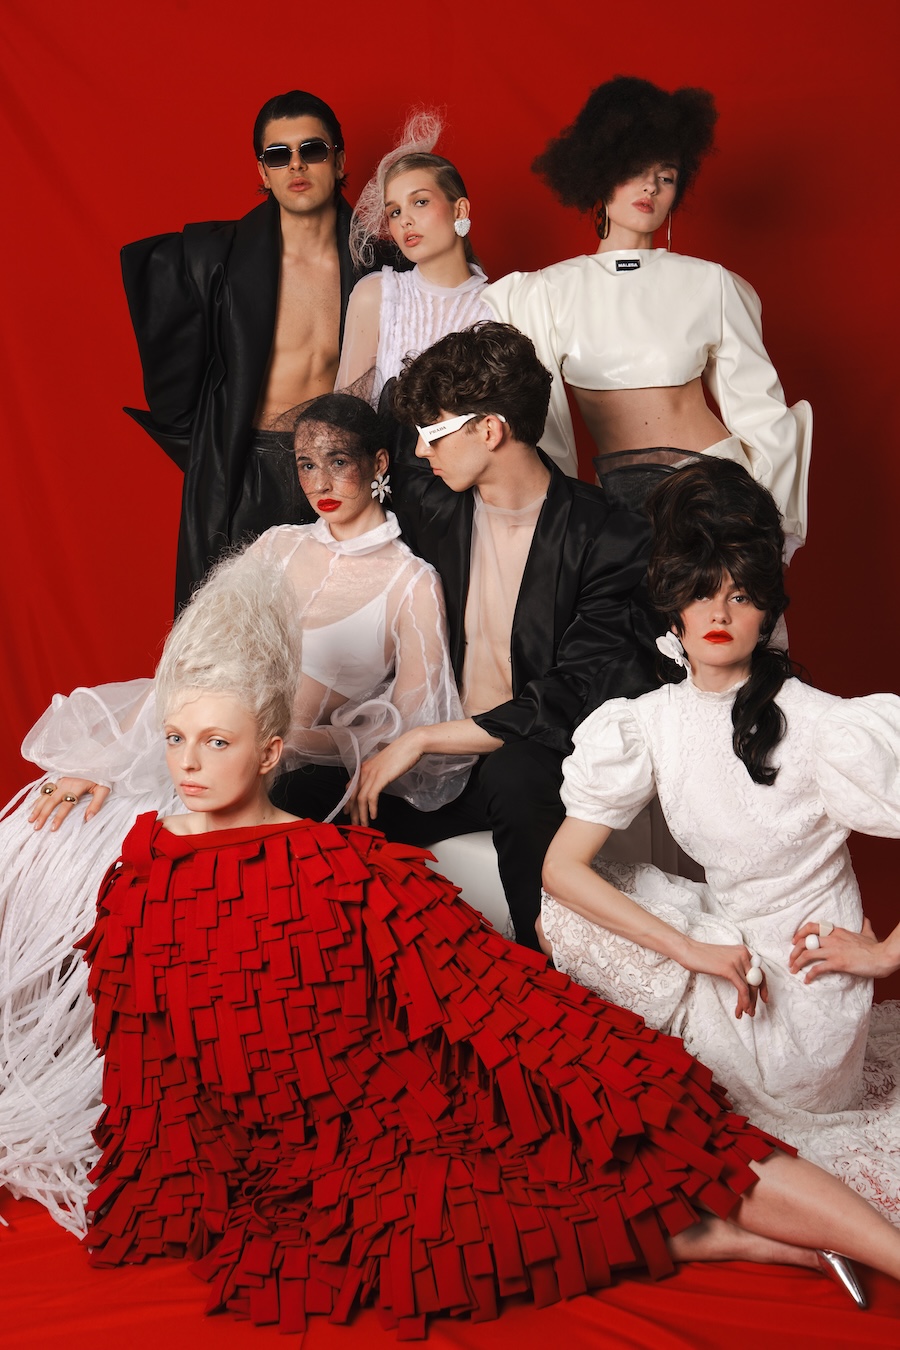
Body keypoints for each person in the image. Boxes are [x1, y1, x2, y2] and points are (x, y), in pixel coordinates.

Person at [77, 557, 900, 1333]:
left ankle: (851, 1244)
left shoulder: (344, 865)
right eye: (175, 739)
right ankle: (754, 1240)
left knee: (653, 1127)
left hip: (396, 1108)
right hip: (290, 1153)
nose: (189, 764)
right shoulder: (140, 873)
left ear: (267, 751)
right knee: (442, 1229)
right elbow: (148, 1063)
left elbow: (480, 987)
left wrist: (602, 1062)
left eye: (215, 742)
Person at [0, 393, 468, 1234]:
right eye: (306, 463)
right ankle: (29, 1047)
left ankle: (88, 1093)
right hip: (201, 751)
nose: (321, 481)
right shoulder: (276, 547)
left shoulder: (410, 581)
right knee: (55, 827)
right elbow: (190, 669)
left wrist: (307, 741)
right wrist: (109, 762)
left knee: (157, 854)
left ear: (379, 465)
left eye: (338, 461)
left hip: (288, 778)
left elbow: (415, 724)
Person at [540, 457, 900, 1222]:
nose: (720, 613)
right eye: (701, 590)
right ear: (671, 605)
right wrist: (690, 950)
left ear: (767, 610)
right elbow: (561, 869)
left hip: (804, 1001)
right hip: (728, 955)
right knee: (564, 908)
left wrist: (884, 954)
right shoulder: (650, 723)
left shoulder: (822, 725)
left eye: (741, 594)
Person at [347, 321, 660, 949]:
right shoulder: (432, 507)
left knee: (517, 778)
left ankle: (539, 976)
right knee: (309, 793)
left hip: (530, 752)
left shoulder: (610, 536)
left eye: (433, 433)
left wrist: (423, 739)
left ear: (489, 430)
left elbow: (573, 693)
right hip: (441, 762)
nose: (422, 451)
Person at [484, 76, 811, 555]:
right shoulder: (544, 294)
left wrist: (770, 527)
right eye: (636, 169)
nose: (651, 187)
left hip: (714, 497)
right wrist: (556, 528)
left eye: (667, 176)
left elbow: (761, 411)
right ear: (600, 172)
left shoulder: (712, 284)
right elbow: (543, 431)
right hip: (616, 511)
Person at [122, 90, 373, 610]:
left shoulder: (377, 262)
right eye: (278, 155)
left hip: (343, 469)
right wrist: (209, 448)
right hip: (249, 470)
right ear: (262, 171)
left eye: (312, 150)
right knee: (232, 631)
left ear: (339, 160)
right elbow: (173, 381)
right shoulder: (216, 257)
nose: (296, 165)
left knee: (341, 631)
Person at [334, 112, 497, 420]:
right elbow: (346, 419)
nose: (405, 220)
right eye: (394, 212)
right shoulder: (377, 295)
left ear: (459, 210)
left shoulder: (500, 305)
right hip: (384, 453)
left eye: (420, 202)